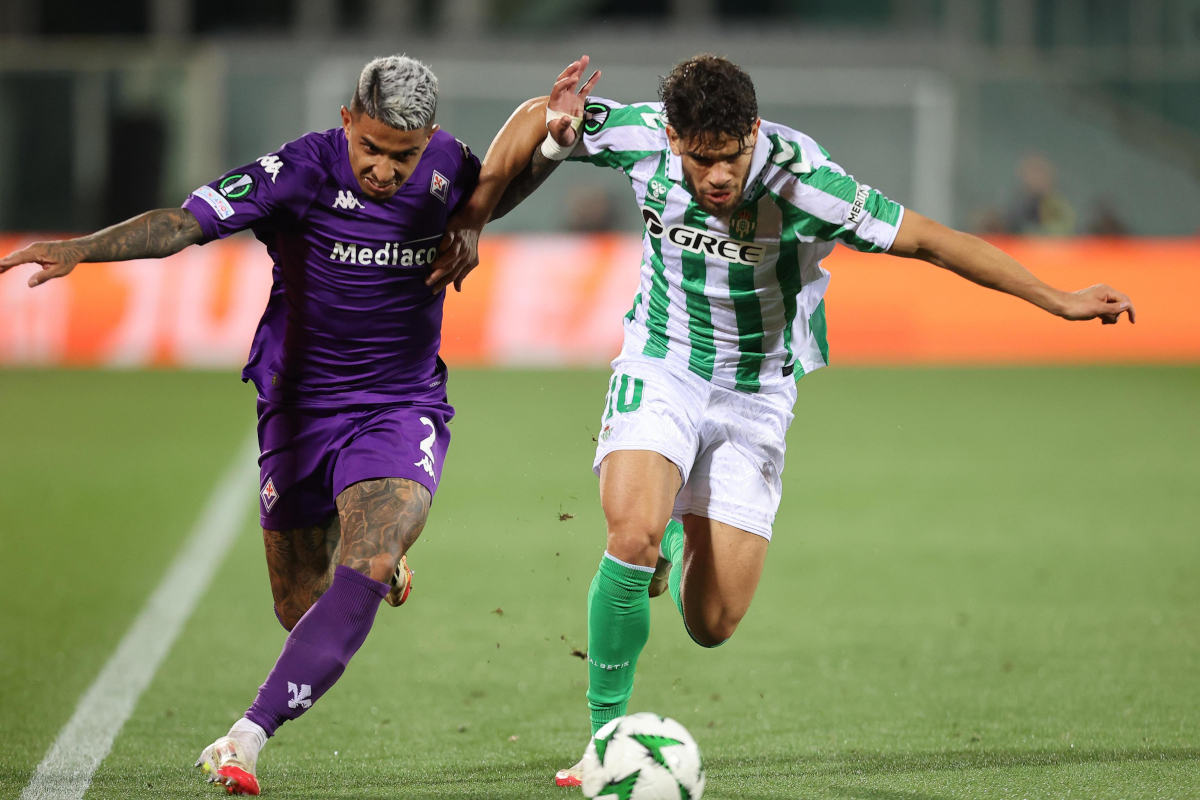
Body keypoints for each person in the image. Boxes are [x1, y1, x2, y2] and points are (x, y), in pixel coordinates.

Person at [429, 54, 1136, 789]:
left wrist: (1058, 299)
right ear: (674, 140)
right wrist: (474, 218)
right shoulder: (639, 136)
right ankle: (606, 735)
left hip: (756, 392)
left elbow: (930, 239)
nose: (719, 178)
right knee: (628, 534)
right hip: (661, 362)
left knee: (713, 623)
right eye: (703, 161)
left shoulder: (805, 183)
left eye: (732, 156)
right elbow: (537, 122)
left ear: (754, 133)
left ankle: (678, 527)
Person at [0, 53, 597, 796]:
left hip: (397, 402)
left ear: (430, 141)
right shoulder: (297, 171)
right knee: (299, 602)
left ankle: (244, 738)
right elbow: (183, 224)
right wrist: (80, 250)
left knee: (369, 557)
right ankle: (374, 570)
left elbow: (493, 189)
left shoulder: (444, 164)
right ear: (347, 121)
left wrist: (549, 146)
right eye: (371, 148)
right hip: (297, 406)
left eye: (401, 156)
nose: (383, 168)